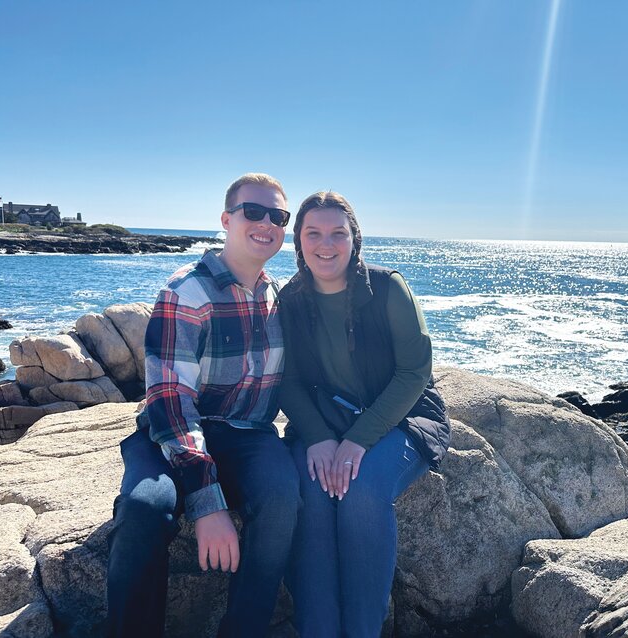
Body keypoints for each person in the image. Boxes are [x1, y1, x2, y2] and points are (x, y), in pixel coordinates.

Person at [106, 173, 300, 638]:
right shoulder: (187, 291)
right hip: (169, 434)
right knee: (144, 509)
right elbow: (170, 403)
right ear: (226, 220)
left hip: (248, 435)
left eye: (278, 216)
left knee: (281, 498)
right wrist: (208, 504)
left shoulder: (279, 296)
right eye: (253, 212)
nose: (266, 223)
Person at [278, 191, 451, 637]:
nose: (326, 244)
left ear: (355, 239)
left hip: (403, 417)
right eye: (313, 233)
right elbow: (287, 380)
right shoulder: (291, 300)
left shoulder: (388, 288)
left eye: (338, 233)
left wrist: (358, 440)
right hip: (323, 420)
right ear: (298, 240)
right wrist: (317, 437)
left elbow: (415, 372)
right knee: (312, 494)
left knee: (360, 490)